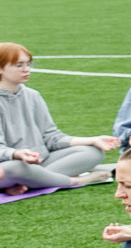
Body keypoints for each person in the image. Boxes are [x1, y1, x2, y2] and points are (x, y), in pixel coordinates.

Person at [0, 42, 116, 189]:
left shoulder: (33, 95)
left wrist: (92, 140)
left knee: (93, 152)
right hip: (8, 166)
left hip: (40, 160)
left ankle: (30, 183)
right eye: (19, 65)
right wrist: (17, 154)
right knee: (16, 168)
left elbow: (52, 137)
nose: (26, 69)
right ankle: (76, 181)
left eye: (28, 64)